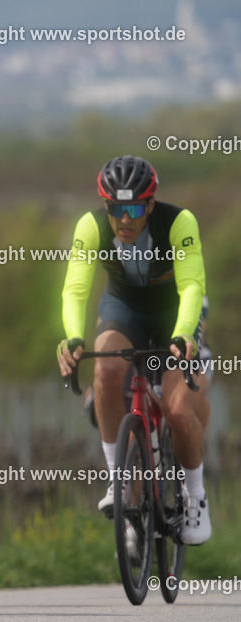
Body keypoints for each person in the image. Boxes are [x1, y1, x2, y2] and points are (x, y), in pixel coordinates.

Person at [57, 155, 211, 545]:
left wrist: (183, 334)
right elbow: (75, 289)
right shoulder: (90, 226)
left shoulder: (179, 222)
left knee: (178, 409)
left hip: (176, 310)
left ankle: (196, 495)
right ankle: (119, 479)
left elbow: (192, 285)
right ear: (104, 205)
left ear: (151, 204)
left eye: (135, 210)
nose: (124, 220)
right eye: (115, 209)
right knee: (105, 369)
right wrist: (73, 337)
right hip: (124, 308)